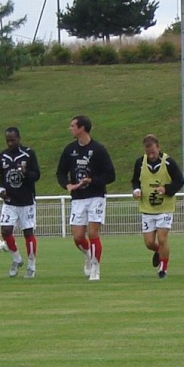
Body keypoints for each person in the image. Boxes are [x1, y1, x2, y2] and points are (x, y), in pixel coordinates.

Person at [56, 115, 116, 281]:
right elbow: (60, 172)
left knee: (93, 232)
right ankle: (88, 255)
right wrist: (67, 185)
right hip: (78, 198)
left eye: (73, 126)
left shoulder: (98, 150)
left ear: (82, 128)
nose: (70, 128)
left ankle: (96, 267)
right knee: (77, 236)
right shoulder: (69, 150)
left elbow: (110, 175)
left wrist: (92, 181)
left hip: (96, 196)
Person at [131, 134, 184, 279]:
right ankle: (159, 252)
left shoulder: (168, 162)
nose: (151, 155)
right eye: (148, 152)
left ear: (158, 147)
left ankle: (163, 269)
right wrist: (136, 190)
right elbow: (135, 181)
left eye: (153, 152)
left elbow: (180, 181)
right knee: (149, 243)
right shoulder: (140, 163)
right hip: (147, 209)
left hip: (165, 208)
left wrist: (167, 189)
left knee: (162, 239)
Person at [0, 127, 41, 278]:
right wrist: (1, 190)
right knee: (5, 231)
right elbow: (2, 176)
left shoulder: (28, 153)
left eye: (13, 140)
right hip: (10, 201)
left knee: (28, 232)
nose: (10, 143)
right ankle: (17, 259)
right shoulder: (3, 155)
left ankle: (31, 265)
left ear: (19, 138)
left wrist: (25, 172)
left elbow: (36, 175)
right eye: (8, 140)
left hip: (26, 201)